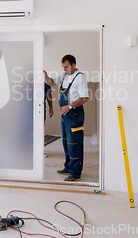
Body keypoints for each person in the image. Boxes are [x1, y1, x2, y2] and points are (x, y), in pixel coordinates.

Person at [44, 54, 89, 182]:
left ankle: (75, 173)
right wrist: (45, 77)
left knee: (74, 142)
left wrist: (69, 106)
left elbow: (84, 98)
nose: (64, 69)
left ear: (73, 65)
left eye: (66, 67)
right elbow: (52, 82)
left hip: (74, 114)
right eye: (63, 67)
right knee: (66, 141)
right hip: (65, 114)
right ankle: (68, 167)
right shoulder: (64, 76)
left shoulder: (80, 78)